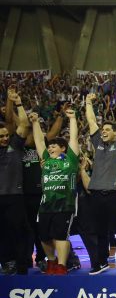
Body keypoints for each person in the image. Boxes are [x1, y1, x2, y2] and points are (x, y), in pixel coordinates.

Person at [29, 108, 80, 276]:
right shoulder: (46, 160)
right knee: (43, 236)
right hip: (45, 205)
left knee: (60, 235)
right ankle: (51, 261)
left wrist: (72, 119)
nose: (49, 148)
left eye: (53, 146)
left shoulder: (70, 160)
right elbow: (39, 141)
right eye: (49, 146)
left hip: (65, 204)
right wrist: (35, 122)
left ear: (63, 148)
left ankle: (61, 265)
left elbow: (73, 138)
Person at [84, 92, 116, 275]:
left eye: (107, 130)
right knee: (99, 231)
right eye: (103, 129)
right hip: (96, 194)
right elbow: (91, 121)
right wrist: (88, 102)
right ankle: (101, 262)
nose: (103, 131)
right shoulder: (98, 143)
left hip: (114, 193)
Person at [0, 88, 31, 275]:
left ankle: (21, 264)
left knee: (19, 231)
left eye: (6, 135)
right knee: (2, 233)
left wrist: (18, 103)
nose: (5, 138)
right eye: (1, 136)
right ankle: (6, 262)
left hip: (15, 196)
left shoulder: (15, 145)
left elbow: (24, 124)